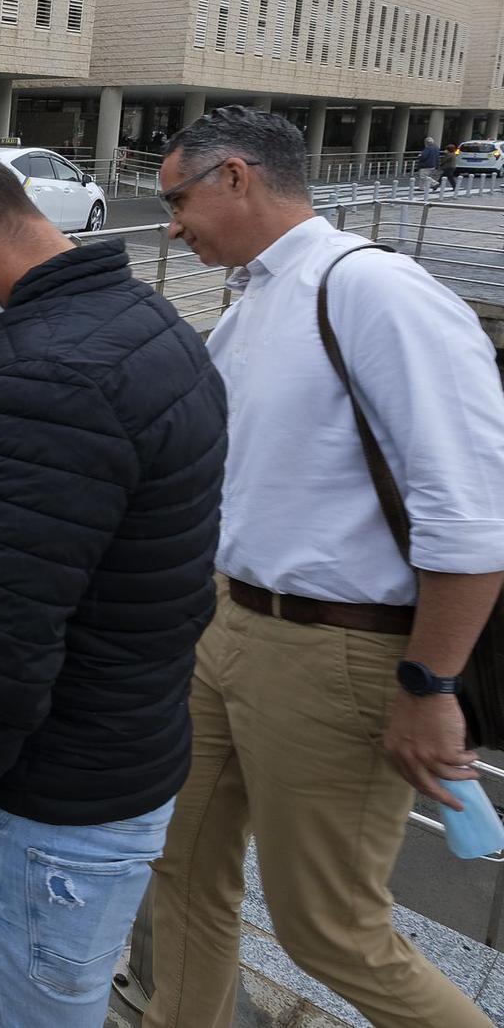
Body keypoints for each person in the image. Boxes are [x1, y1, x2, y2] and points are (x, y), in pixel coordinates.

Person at [145, 107, 503, 1028]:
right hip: (227, 625)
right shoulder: (257, 301)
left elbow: (471, 519)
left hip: (337, 650)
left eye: (176, 200)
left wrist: (430, 684)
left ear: (235, 177)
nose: (171, 227)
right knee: (179, 868)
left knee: (332, 931)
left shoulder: (377, 291)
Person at [0, 135, 227, 1028]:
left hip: (51, 801)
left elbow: (3, 638)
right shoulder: (147, 320)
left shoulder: (42, 377)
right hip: (123, 749)